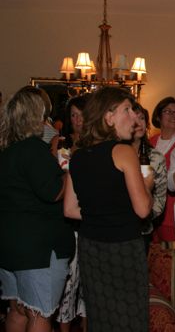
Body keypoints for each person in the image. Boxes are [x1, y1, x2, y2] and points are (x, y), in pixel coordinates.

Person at [64, 87, 153, 332]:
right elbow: (144, 209)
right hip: (122, 247)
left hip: (90, 247)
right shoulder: (123, 152)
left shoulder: (78, 156)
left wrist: (101, 211)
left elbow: (70, 209)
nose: (134, 117)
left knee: (101, 317)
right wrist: (148, 183)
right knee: (130, 318)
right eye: (127, 110)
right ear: (109, 116)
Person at [0, 86, 75, 332]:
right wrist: (69, 172)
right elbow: (53, 191)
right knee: (39, 315)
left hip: (11, 245)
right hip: (38, 249)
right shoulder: (33, 149)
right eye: (44, 116)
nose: (47, 122)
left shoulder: (7, 151)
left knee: (17, 311)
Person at [56, 94, 89, 332]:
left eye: (81, 115)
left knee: (90, 285)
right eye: (73, 115)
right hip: (69, 220)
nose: (77, 120)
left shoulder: (98, 144)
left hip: (91, 218)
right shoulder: (62, 143)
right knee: (69, 281)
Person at [131, 102, 168, 251]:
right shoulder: (115, 154)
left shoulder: (155, 157)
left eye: (142, 118)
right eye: (134, 118)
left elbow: (160, 198)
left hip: (143, 230)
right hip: (115, 230)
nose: (139, 123)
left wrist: (143, 215)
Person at [150, 97, 175, 241]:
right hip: (151, 210)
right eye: (168, 111)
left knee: (172, 258)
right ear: (158, 117)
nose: (174, 115)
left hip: (172, 211)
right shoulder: (150, 141)